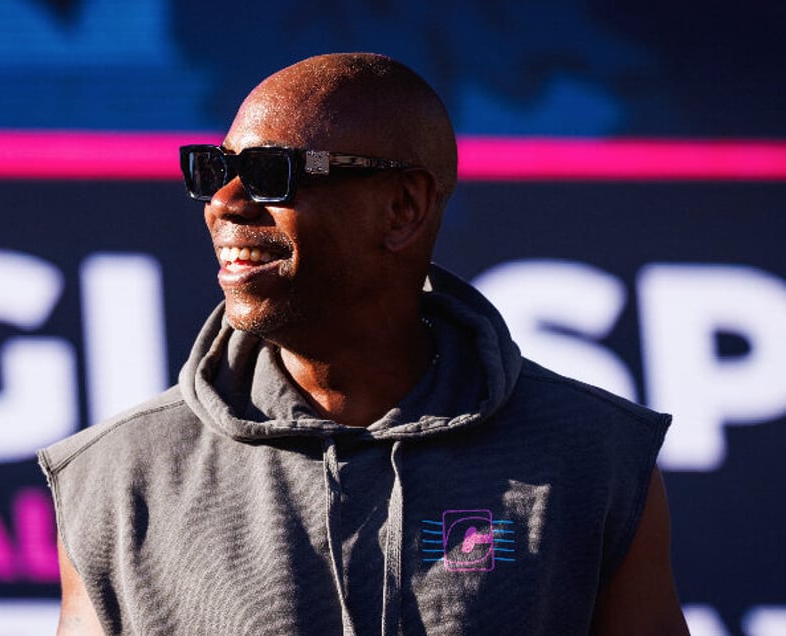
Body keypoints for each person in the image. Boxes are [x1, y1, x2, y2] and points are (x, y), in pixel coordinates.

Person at [39, 52, 689, 635]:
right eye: (215, 170)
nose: (225, 203)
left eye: (271, 172)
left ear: (402, 207)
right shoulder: (115, 474)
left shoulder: (594, 454)